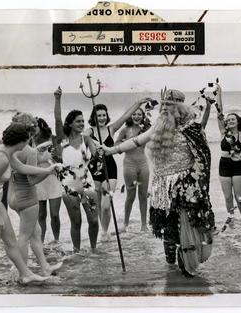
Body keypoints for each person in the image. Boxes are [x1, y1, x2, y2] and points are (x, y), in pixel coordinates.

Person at [103, 88, 215, 277]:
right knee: (168, 227)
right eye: (162, 106)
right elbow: (136, 141)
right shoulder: (158, 127)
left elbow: (203, 156)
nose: (164, 110)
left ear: (179, 108)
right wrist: (110, 151)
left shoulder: (191, 128)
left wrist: (194, 182)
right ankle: (170, 266)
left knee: (186, 226)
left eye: (168, 106)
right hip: (163, 186)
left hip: (185, 186)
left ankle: (187, 263)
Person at [0, 123, 56, 288]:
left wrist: (48, 170)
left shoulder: (6, 151)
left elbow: (22, 168)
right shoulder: (1, 158)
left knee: (11, 242)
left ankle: (26, 275)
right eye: (27, 141)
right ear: (22, 142)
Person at [85, 98, 153, 240]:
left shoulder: (112, 128)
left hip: (110, 168)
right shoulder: (89, 132)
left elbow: (126, 116)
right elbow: (81, 138)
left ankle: (105, 231)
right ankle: (103, 231)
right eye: (99, 115)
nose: (102, 118)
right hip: (95, 169)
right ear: (94, 117)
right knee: (98, 204)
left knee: (106, 204)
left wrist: (138, 103)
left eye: (104, 115)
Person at [8, 113, 62, 275]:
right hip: (27, 197)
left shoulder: (12, 148)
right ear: (31, 130)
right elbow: (31, 181)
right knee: (25, 236)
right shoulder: (29, 151)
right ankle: (22, 272)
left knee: (36, 232)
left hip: (13, 195)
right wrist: (49, 171)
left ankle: (44, 267)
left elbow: (16, 171)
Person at [53, 87, 99, 253]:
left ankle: (93, 249)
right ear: (70, 123)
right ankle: (77, 251)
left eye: (83, 121)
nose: (81, 123)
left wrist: (98, 154)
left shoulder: (86, 138)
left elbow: (95, 154)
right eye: (78, 121)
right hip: (68, 184)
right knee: (77, 222)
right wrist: (57, 99)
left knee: (94, 220)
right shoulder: (62, 139)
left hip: (87, 181)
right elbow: (57, 119)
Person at [215, 85, 241, 226]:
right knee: (228, 196)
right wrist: (219, 95)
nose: (230, 121)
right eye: (228, 120)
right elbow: (219, 112)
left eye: (233, 119)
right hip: (223, 165)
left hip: (237, 165)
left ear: (237, 122)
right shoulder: (224, 133)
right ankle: (231, 217)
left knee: (238, 196)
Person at [115, 108, 151, 233]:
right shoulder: (125, 130)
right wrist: (127, 142)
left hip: (143, 164)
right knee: (130, 196)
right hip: (129, 165)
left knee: (143, 196)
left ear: (143, 116)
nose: (136, 116)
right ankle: (125, 224)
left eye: (139, 114)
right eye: (134, 114)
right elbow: (116, 145)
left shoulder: (145, 130)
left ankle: (144, 225)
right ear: (130, 116)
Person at [34, 117, 63, 243]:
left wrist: (55, 154)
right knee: (41, 215)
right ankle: (41, 243)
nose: (33, 130)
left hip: (53, 178)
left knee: (54, 214)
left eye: (35, 127)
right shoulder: (29, 142)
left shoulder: (53, 139)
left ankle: (56, 240)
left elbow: (61, 160)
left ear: (41, 127)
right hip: (38, 179)